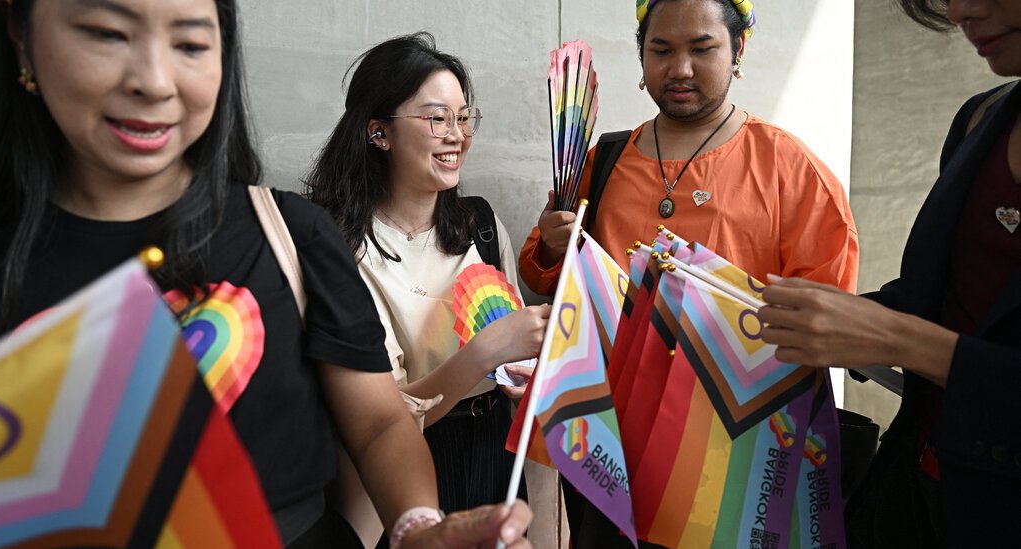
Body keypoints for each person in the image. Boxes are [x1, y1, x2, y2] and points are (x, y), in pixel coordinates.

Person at [0, 2, 532, 548]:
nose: (155, 81)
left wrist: (418, 528)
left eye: (190, 43)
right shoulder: (348, 239)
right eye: (107, 34)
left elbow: (379, 424)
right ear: (19, 31)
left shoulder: (293, 236)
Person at [517, 0, 859, 547]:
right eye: (661, 50)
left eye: (702, 49)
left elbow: (826, 317)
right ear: (641, 57)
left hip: (729, 451)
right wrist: (556, 246)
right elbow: (542, 280)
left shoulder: (789, 168)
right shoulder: (604, 160)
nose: (680, 68)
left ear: (738, 49)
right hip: (607, 440)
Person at [757, 0, 1021, 547]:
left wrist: (894, 337)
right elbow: (944, 293)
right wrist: (834, 319)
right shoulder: (982, 119)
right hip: (911, 486)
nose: (960, 11)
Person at [305, 33, 550, 546]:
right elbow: (380, 418)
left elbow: (515, 358)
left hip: (495, 452)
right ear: (379, 133)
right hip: (398, 471)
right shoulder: (339, 251)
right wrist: (485, 353)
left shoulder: (481, 226)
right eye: (437, 119)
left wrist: (522, 372)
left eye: (463, 118)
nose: (457, 135)